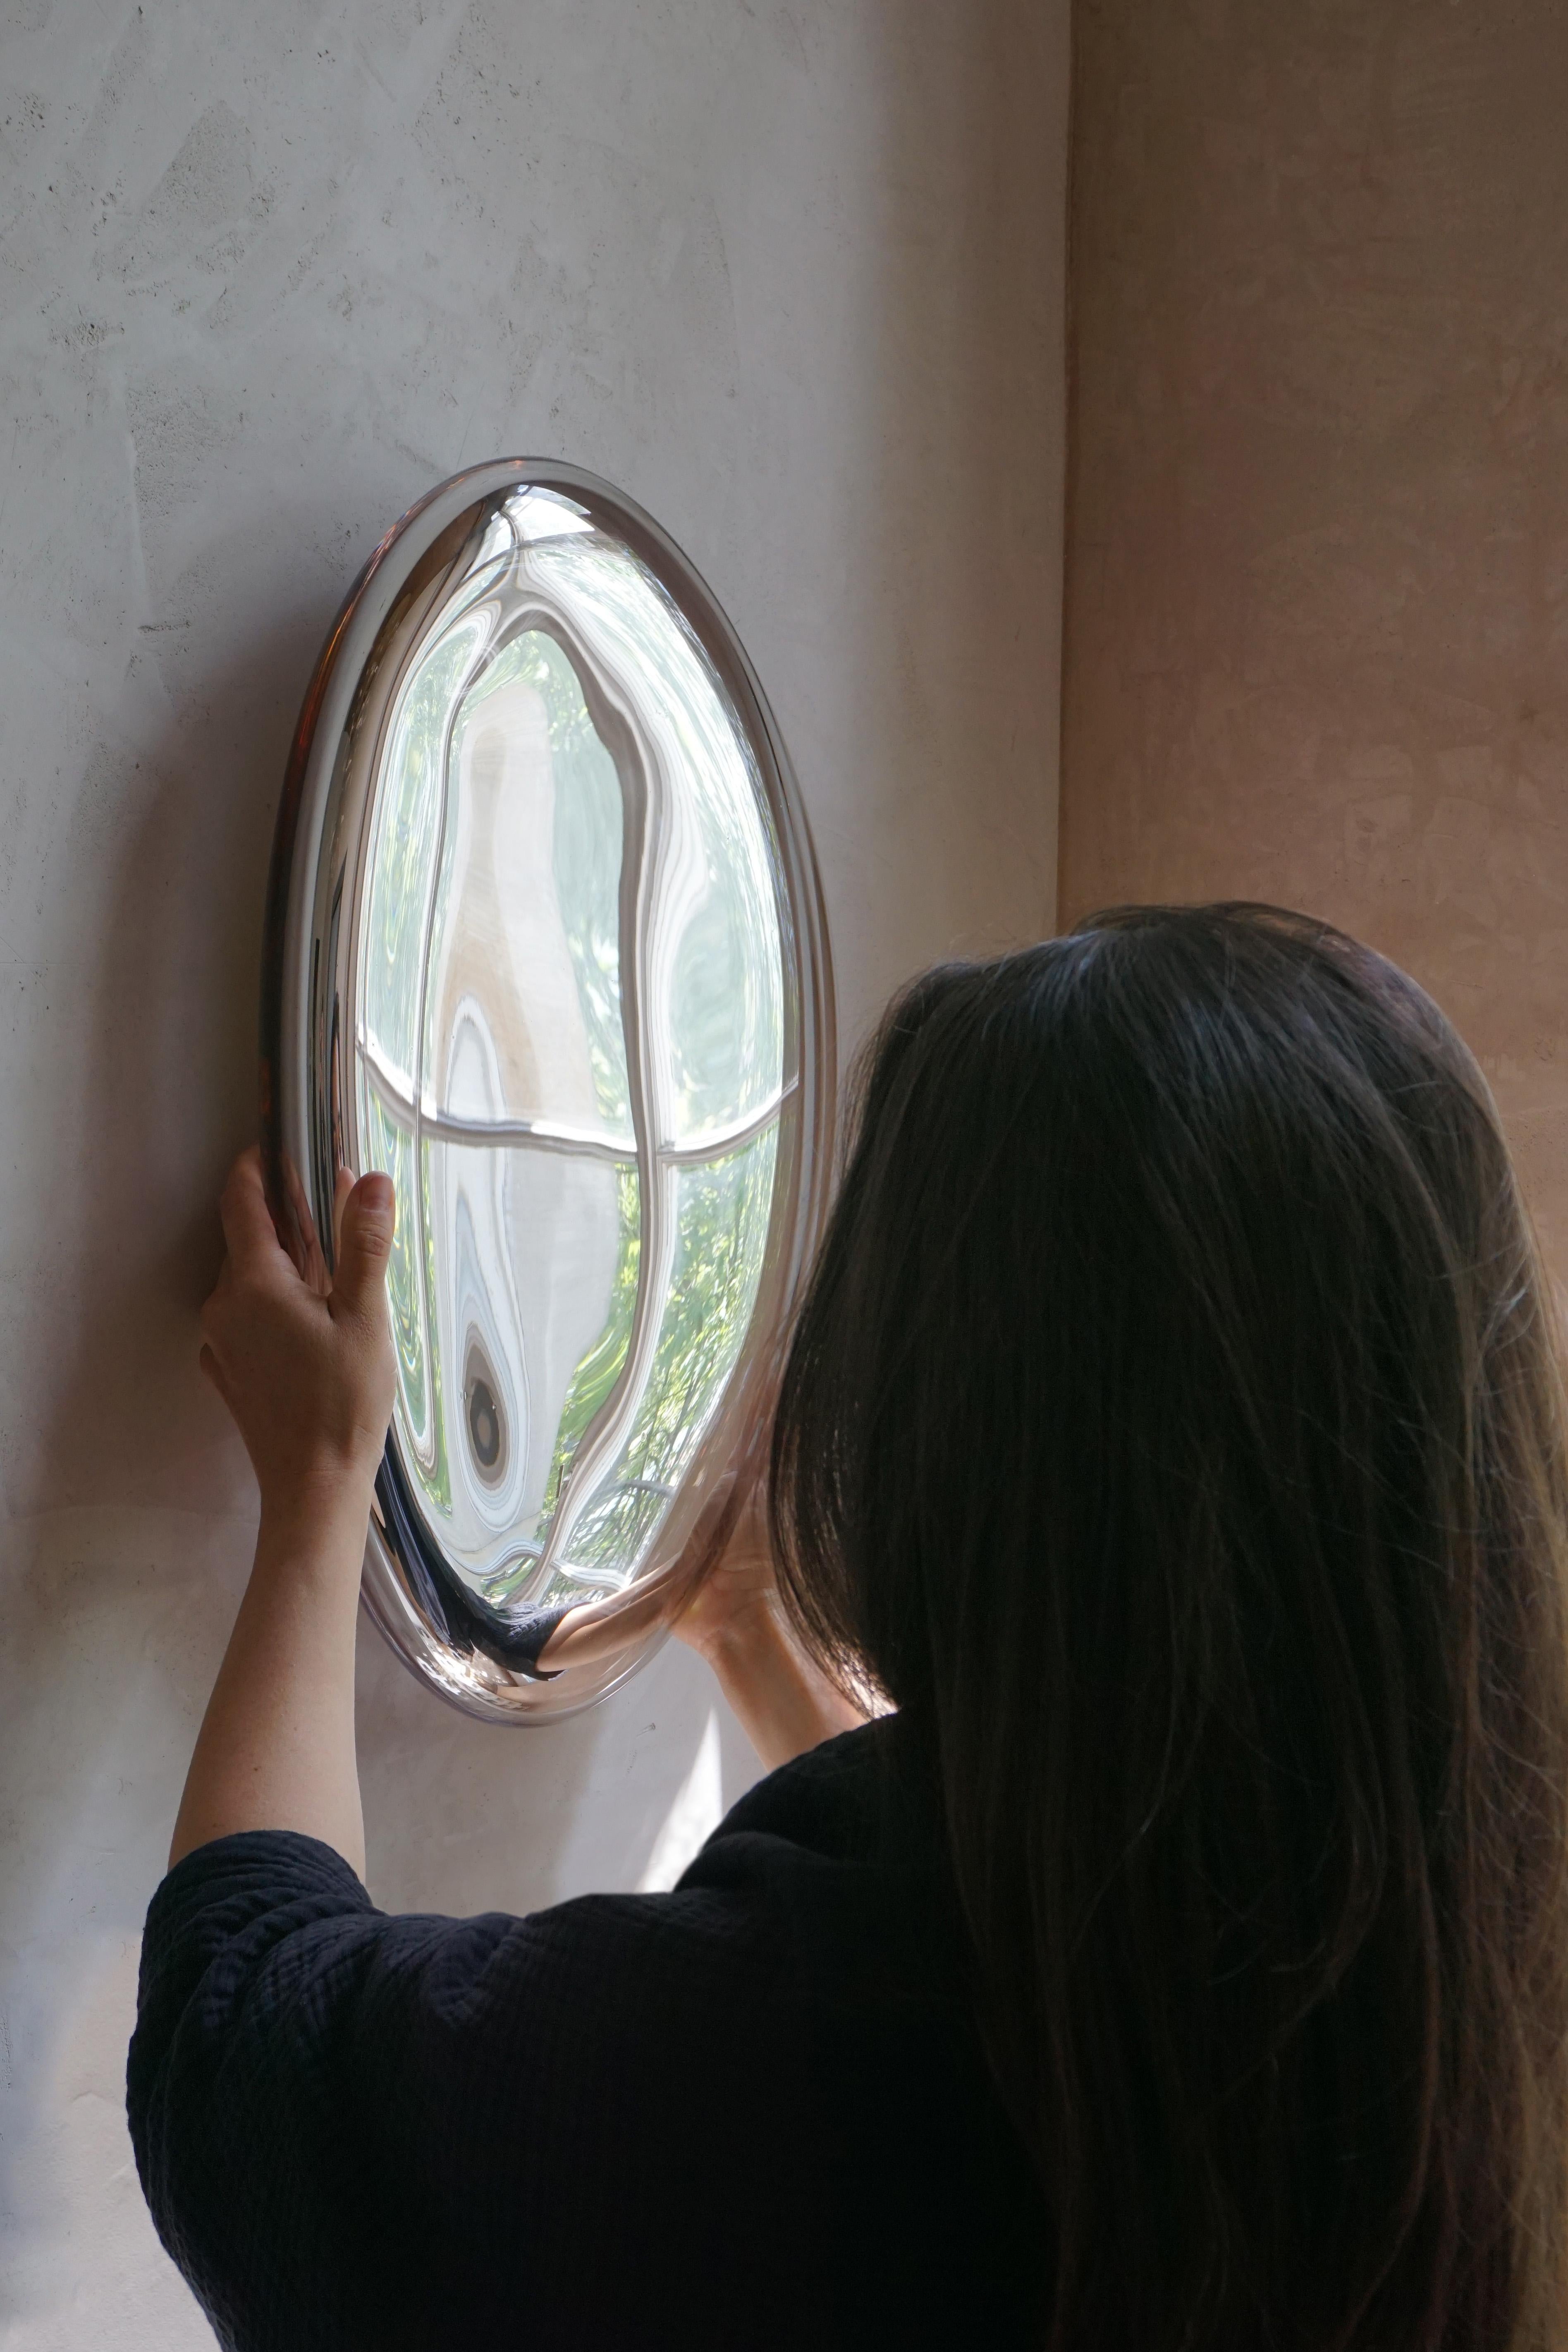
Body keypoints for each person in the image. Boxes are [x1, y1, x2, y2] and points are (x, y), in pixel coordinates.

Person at [128, 903, 1568, 2352]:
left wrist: (319, 1499)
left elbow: (249, 2065)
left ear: (957, 1430)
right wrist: (756, 1641)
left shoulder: (802, 2060)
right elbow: (1071, 1940)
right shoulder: (1468, 1949)